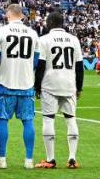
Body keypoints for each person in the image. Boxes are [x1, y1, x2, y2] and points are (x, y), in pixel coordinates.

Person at [0, 4, 39, 170]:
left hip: (5, 82)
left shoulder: (1, 32)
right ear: (22, 16)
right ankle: (29, 160)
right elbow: (36, 61)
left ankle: (1, 159)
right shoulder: (32, 33)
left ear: (7, 15)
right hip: (26, 84)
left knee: (2, 120)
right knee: (28, 121)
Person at [35, 11, 84, 169]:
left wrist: (37, 86)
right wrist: (79, 87)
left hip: (50, 84)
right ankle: (72, 158)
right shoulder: (74, 39)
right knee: (71, 119)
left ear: (49, 23)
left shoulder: (44, 40)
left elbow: (41, 65)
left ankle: (50, 159)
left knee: (48, 119)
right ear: (62, 23)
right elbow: (79, 67)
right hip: (69, 85)